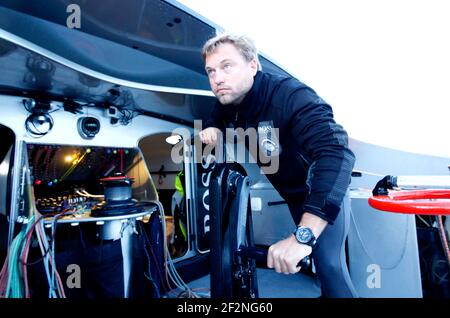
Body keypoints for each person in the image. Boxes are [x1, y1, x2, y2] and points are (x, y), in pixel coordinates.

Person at [198, 33, 358, 298]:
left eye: (227, 66)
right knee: (320, 263)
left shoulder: (290, 96)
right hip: (294, 196)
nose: (217, 78)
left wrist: (302, 236)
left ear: (253, 65)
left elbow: (337, 153)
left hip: (320, 192)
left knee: (330, 266)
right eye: (211, 71)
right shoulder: (230, 102)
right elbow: (216, 114)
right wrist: (211, 129)